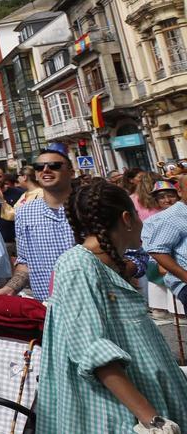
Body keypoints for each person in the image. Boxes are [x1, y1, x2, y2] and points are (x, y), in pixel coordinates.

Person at [37, 181, 187, 433]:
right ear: (127, 218)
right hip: (118, 414)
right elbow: (93, 350)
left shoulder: (108, 263)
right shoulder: (77, 265)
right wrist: (153, 421)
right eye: (139, 216)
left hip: (146, 400)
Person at [0, 150, 76, 301]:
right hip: (47, 304)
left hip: (95, 303)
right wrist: (11, 287)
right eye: (39, 167)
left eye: (54, 165)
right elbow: (25, 262)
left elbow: (127, 257)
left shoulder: (91, 206)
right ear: (36, 174)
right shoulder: (25, 212)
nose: (46, 170)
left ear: (71, 172)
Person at [143, 182, 187, 318]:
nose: (167, 200)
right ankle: (160, 310)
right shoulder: (155, 220)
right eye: (162, 197)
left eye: (170, 196)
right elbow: (155, 249)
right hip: (173, 270)